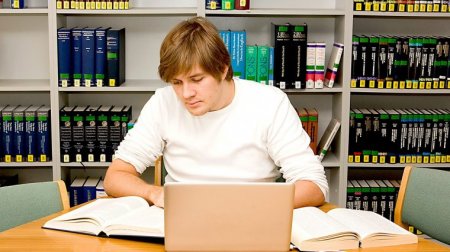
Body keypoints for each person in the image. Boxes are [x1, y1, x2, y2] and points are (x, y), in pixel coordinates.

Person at [104, 16, 328, 209]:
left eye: (197, 80)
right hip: (183, 216)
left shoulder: (269, 102)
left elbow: (314, 185)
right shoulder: (163, 102)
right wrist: (155, 194)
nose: (186, 93)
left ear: (223, 69)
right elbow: (115, 177)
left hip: (254, 215)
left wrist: (251, 206)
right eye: (177, 82)